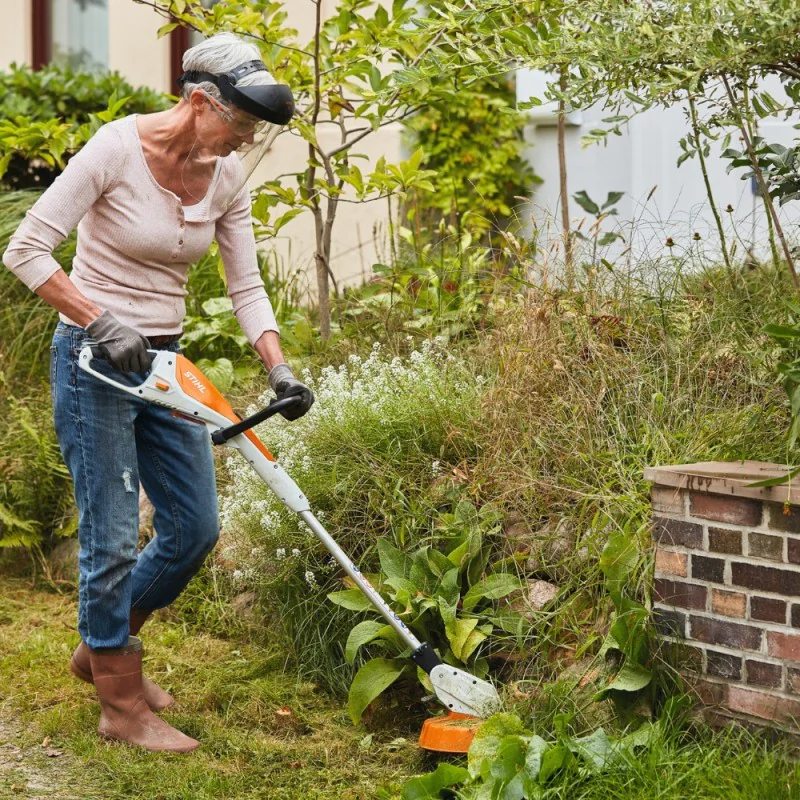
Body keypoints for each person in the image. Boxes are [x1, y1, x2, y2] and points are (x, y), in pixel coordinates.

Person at [2, 32, 313, 754]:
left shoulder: (224, 175)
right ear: (200, 103)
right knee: (109, 536)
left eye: (251, 132)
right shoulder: (115, 149)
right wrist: (98, 318)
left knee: (194, 527)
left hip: (164, 364)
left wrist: (279, 367)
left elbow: (247, 285)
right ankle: (119, 703)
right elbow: (25, 249)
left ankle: (99, 648)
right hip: (95, 359)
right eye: (239, 125)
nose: (244, 142)